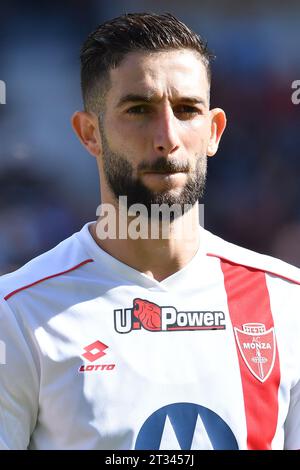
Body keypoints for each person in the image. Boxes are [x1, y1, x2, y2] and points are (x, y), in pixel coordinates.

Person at [0, 12, 299, 451]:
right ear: (89, 134)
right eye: (139, 110)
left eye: (187, 110)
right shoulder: (18, 315)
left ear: (214, 131)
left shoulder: (288, 303)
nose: (167, 136)